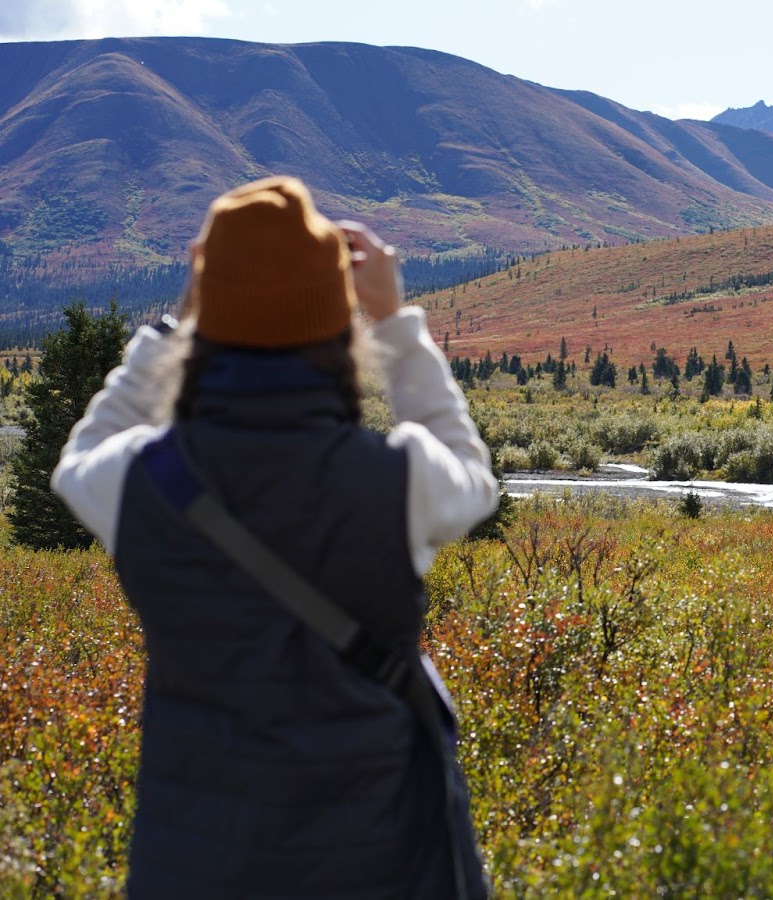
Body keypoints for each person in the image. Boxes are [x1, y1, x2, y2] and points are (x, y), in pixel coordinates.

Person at [52, 176, 498, 897]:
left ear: (206, 318)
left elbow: (77, 462)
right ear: (336, 324)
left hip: (192, 862)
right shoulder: (397, 481)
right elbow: (473, 477)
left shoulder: (140, 482)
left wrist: (174, 323)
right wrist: (395, 322)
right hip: (381, 856)